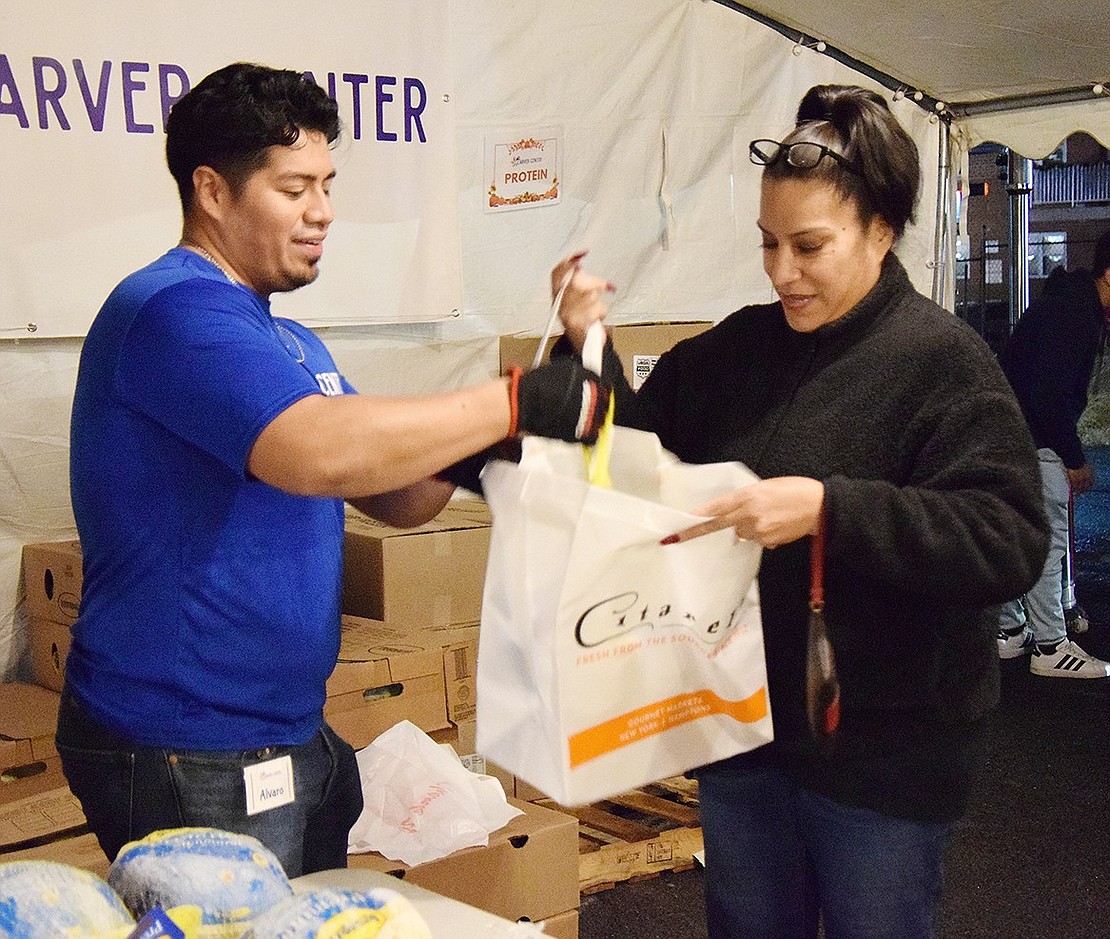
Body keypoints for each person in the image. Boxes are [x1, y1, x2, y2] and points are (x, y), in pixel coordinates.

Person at [57, 62, 610, 878]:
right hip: (187, 744)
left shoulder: (287, 342)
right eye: (294, 189)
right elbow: (321, 450)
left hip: (286, 730)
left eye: (328, 184)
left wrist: (516, 419)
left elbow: (394, 491)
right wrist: (519, 400)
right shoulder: (171, 310)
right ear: (212, 191)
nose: (323, 212)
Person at [554, 85, 1049, 938]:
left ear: (882, 232)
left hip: (886, 758)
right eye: (768, 244)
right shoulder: (734, 351)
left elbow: (1006, 540)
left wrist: (831, 509)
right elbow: (635, 457)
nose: (782, 270)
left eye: (809, 246)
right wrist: (587, 347)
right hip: (741, 729)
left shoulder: (944, 364)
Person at [995, 231, 1110, 678]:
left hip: (1014, 432)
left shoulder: (1068, 303)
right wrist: (1074, 457)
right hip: (1033, 436)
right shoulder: (1075, 314)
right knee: (1047, 536)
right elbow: (1049, 396)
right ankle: (1050, 645)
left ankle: (1009, 631)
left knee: (1019, 531)